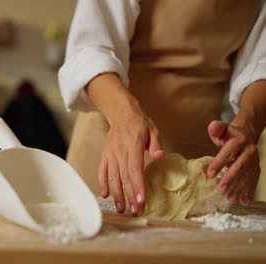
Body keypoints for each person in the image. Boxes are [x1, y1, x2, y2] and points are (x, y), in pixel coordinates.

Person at [58, 0, 266, 216]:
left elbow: (262, 62)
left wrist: (248, 126)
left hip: (203, 158)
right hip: (111, 146)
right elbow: (90, 48)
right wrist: (123, 116)